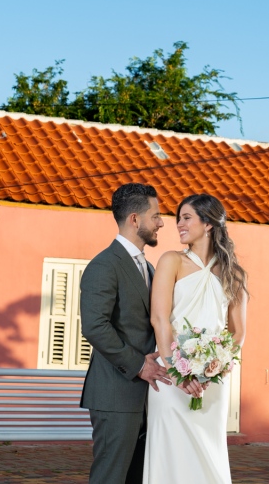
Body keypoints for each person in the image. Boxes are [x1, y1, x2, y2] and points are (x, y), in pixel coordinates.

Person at [144, 193, 248, 484]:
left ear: (209, 223)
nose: (178, 224)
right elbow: (160, 319)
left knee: (208, 451)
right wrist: (177, 371)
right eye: (179, 218)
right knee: (171, 449)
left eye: (186, 217)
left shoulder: (234, 274)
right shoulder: (171, 261)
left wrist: (217, 369)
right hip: (170, 377)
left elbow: (237, 332)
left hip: (212, 381)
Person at [80, 183, 173, 484]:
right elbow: (95, 326)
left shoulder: (148, 266)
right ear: (135, 220)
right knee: (111, 477)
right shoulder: (104, 265)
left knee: (137, 477)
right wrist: (140, 365)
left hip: (148, 397)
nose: (161, 222)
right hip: (115, 393)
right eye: (156, 215)